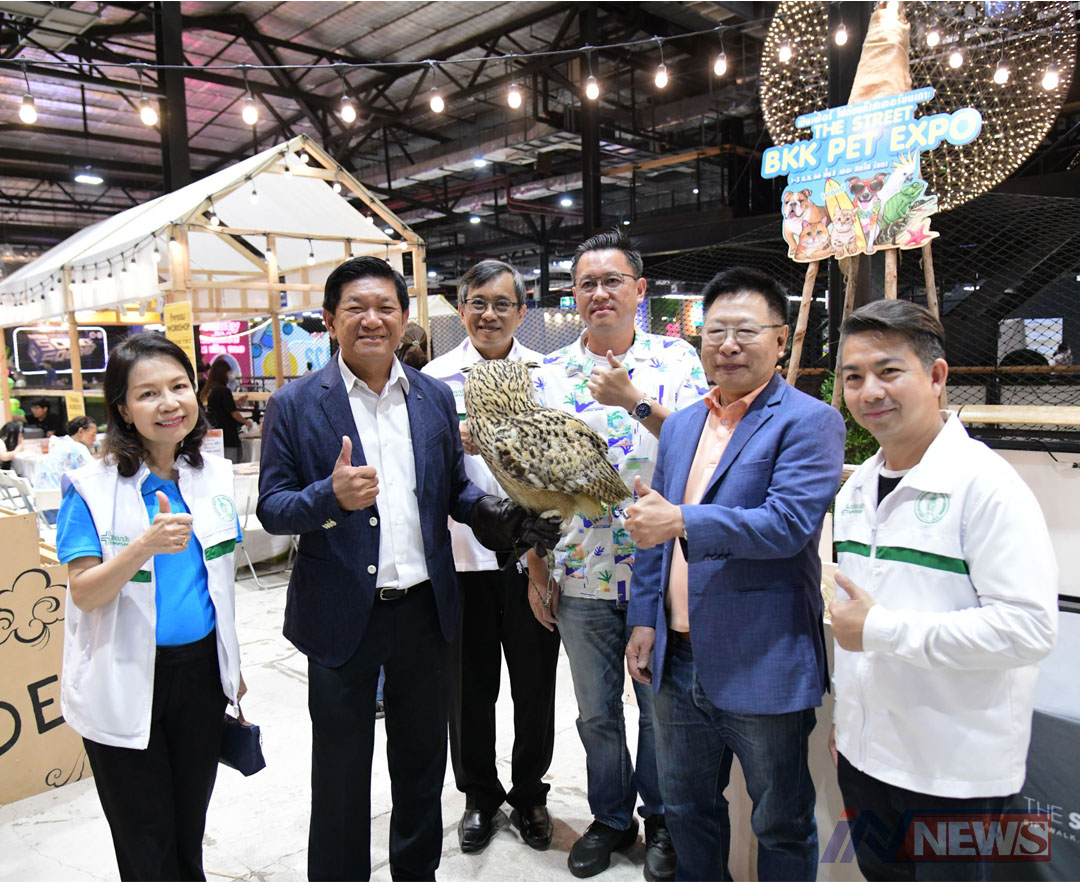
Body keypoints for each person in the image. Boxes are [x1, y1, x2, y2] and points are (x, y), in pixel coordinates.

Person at [256, 255, 560, 881]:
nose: (372, 319)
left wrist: (503, 518)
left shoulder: (431, 396)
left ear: (402, 318)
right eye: (356, 308)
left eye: (385, 308)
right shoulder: (294, 403)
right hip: (341, 616)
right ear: (330, 320)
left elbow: (453, 492)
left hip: (425, 612)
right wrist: (328, 496)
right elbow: (272, 508)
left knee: (421, 769)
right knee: (340, 775)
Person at [623, 267, 845, 881]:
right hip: (676, 657)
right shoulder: (683, 424)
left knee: (781, 820)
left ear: (780, 338)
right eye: (715, 331)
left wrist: (682, 520)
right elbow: (653, 528)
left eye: (745, 331)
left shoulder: (809, 421)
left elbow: (786, 525)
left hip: (762, 653)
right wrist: (644, 619)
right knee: (687, 808)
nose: (727, 345)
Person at [829, 299, 1059, 881]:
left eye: (888, 371)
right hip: (867, 758)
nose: (869, 391)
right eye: (853, 377)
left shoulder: (987, 486)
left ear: (935, 376)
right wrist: (849, 724)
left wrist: (882, 630)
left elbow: (1028, 630)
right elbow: (857, 618)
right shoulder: (856, 490)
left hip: (954, 772)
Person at [530, 230, 708, 881]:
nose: (599, 293)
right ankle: (611, 818)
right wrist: (535, 567)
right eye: (587, 283)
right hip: (579, 571)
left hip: (660, 574)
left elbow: (700, 445)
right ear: (574, 296)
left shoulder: (676, 359)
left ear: (639, 289)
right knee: (596, 712)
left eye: (612, 281)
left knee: (659, 709)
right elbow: (533, 481)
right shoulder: (548, 375)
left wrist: (633, 400)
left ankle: (661, 817)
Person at [56, 332, 245, 881]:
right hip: (124, 674)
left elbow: (218, 583)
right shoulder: (90, 489)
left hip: (201, 674)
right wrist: (143, 546)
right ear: (122, 409)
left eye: (179, 387)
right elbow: (84, 591)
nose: (169, 403)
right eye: (148, 393)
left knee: (189, 826)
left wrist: (230, 665)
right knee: (146, 837)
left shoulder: (212, 476)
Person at [424, 259, 562, 854]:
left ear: (521, 311)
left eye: (502, 303)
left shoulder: (547, 375)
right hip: (461, 560)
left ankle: (530, 793)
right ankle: (479, 795)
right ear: (461, 310)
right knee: (468, 690)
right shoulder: (433, 382)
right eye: (477, 302)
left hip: (531, 561)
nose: (489, 314)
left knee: (535, 686)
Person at [201, 358, 252, 464]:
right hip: (229, 436)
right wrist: (246, 422)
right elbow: (233, 413)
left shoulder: (211, 389)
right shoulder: (224, 391)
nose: (229, 376)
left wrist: (235, 402)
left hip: (216, 435)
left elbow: (220, 406)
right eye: (228, 373)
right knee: (232, 463)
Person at [34, 415, 97, 489]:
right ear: (80, 431)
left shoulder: (59, 444)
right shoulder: (77, 447)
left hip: (40, 493)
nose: (95, 439)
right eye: (93, 435)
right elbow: (94, 473)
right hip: (57, 493)